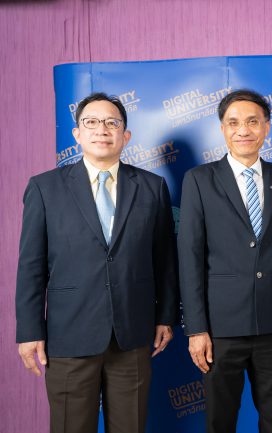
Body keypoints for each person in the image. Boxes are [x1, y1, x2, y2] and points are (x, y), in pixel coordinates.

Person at [15, 92, 179, 433]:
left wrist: (165, 316)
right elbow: (31, 266)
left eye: (111, 122)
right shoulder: (45, 188)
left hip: (133, 334)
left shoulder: (152, 187)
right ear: (77, 134)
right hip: (69, 336)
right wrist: (30, 331)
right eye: (91, 122)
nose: (101, 129)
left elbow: (164, 260)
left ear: (125, 135)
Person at [178, 89, 272, 433]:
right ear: (222, 129)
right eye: (233, 123)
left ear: (266, 127)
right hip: (220, 328)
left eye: (253, 121)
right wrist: (196, 328)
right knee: (220, 421)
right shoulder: (199, 180)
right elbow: (190, 258)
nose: (243, 130)